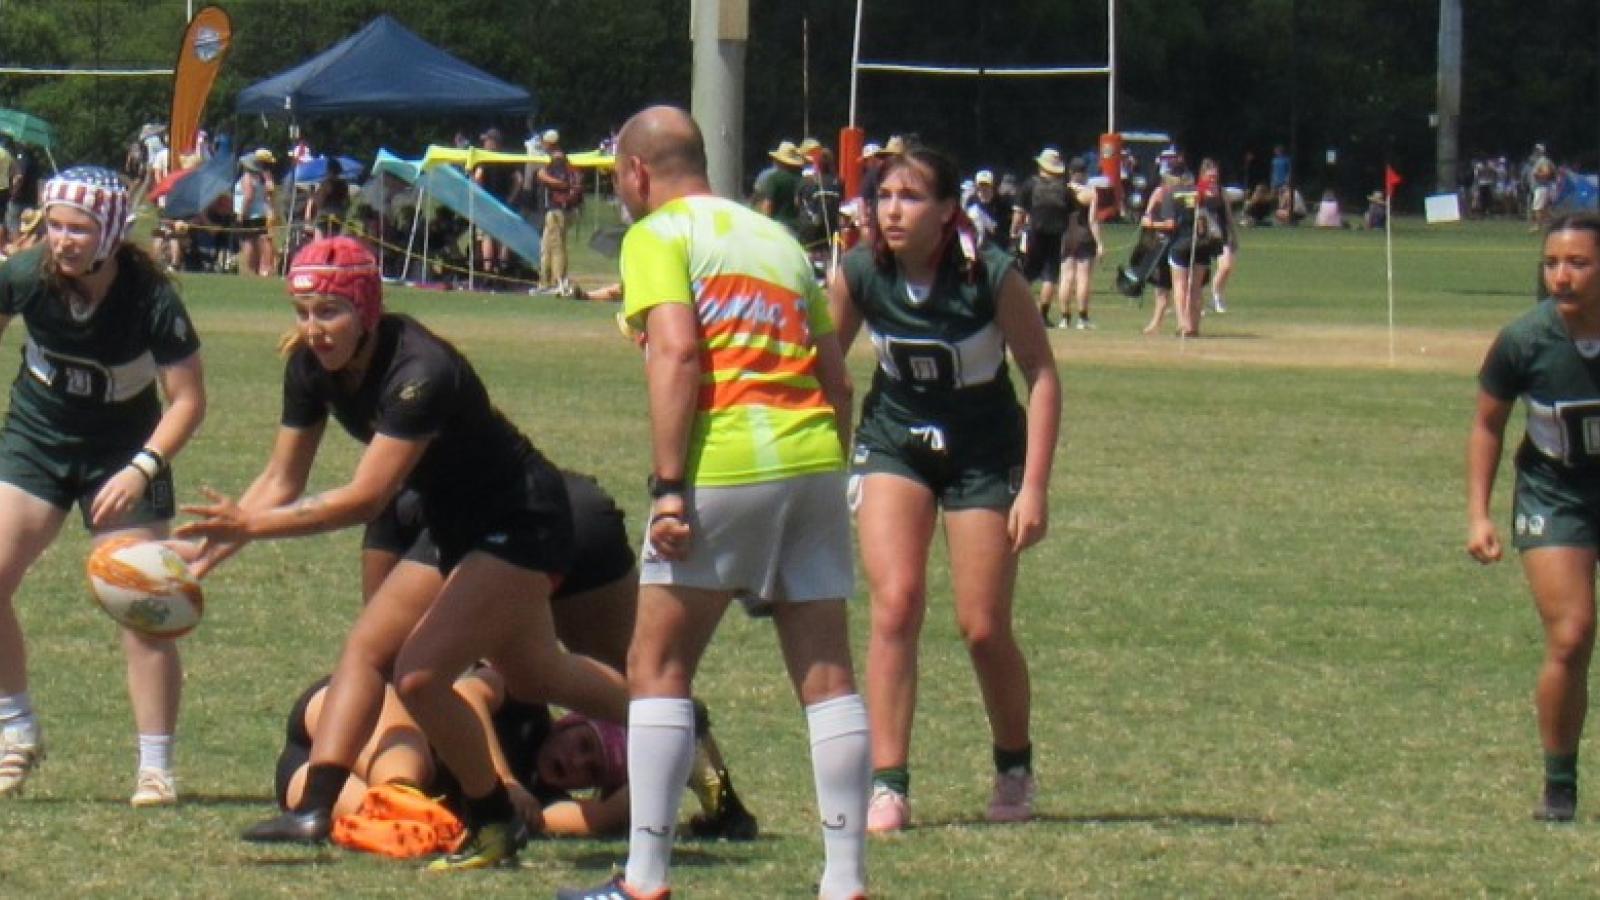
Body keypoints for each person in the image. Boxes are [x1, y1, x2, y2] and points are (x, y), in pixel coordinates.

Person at [176, 236, 628, 870]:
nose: (314, 329)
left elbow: (367, 497)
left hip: (522, 518)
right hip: (454, 521)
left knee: (419, 674)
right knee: (512, 672)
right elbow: (282, 480)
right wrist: (213, 545)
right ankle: (314, 809)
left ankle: (499, 820)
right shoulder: (308, 367)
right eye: (303, 312)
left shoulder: (420, 372)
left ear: (366, 308)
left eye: (329, 312)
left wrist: (252, 525)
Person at [558, 104, 868, 900]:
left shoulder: (658, 235)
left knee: (656, 666)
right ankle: (845, 881)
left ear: (636, 173)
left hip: (725, 459)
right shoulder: (779, 241)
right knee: (828, 675)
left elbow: (678, 349)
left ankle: (645, 879)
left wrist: (667, 487)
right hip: (813, 457)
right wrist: (824, 474)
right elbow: (837, 377)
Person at [827, 145, 1060, 834]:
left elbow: (1041, 374)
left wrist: (1035, 487)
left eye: (910, 196)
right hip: (896, 440)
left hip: (983, 451)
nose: (892, 210)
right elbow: (827, 371)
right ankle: (888, 785)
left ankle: (1014, 766)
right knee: (894, 605)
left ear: (948, 209)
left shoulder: (990, 275)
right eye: (883, 196)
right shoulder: (861, 271)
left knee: (982, 626)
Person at [0, 167, 207, 806]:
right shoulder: (25, 274)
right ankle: (14, 732)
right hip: (38, 436)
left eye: (79, 228)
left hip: (125, 450)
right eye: (56, 225)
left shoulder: (151, 297)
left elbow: (189, 401)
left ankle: (155, 766)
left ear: (111, 232)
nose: (63, 240)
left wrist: (141, 467)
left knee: (144, 600)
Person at [1467, 214, 1600, 823]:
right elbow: (1487, 424)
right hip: (1555, 493)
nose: (1561, 276)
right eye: (1552, 263)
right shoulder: (1524, 340)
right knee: (1571, 636)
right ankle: (1559, 786)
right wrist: (1479, 514)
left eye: (1578, 263)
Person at [1168, 158, 1231, 338]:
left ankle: (1185, 324)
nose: (1213, 180)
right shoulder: (1212, 194)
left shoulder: (1179, 194)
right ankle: (1192, 326)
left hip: (1185, 242)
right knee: (1195, 287)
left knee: (1181, 285)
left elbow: (1172, 220)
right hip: (1201, 243)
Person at [1011, 147, 1071, 326]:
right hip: (1056, 234)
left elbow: (1019, 213)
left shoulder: (1030, 184)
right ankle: (1042, 315)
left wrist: (1014, 232)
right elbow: (1072, 217)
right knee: (1050, 276)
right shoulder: (1064, 188)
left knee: (1026, 273)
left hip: (1034, 234)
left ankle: (1017, 311)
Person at [535, 129, 583, 297]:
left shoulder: (557, 161)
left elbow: (563, 184)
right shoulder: (556, 160)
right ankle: (545, 282)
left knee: (555, 247)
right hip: (554, 210)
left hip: (557, 209)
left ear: (548, 143)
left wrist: (543, 176)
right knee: (546, 247)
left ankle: (558, 282)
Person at [1058, 159, 1103, 330]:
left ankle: (1064, 317)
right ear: (1084, 174)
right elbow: (1093, 221)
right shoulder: (1090, 193)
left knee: (1066, 277)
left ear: (1070, 172)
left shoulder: (1062, 191)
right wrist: (1099, 243)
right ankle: (1082, 318)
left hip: (1067, 236)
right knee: (1083, 277)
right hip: (1084, 235)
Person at [233, 149, 275, 278]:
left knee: (248, 242)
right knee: (258, 241)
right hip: (260, 213)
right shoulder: (260, 178)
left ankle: (250, 269)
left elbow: (248, 196)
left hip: (249, 214)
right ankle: (259, 268)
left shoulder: (247, 177)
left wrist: (242, 214)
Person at [752, 139, 805, 234]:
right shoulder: (801, 179)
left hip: (778, 225)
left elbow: (768, 205)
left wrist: (764, 226)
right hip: (796, 227)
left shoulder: (774, 179)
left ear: (779, 161)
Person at [965, 169, 1014, 255]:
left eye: (987, 186)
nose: (983, 190)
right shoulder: (971, 202)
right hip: (975, 246)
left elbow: (1005, 229)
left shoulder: (1002, 204)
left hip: (998, 247)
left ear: (993, 187)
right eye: (980, 187)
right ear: (976, 188)